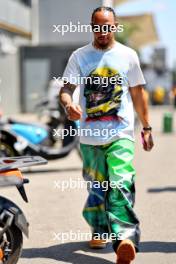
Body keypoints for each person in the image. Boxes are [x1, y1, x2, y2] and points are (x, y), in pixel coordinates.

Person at [59, 6, 154, 264]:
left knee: (121, 183)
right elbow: (66, 89)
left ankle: (124, 239)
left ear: (115, 26)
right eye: (98, 27)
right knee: (97, 188)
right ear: (92, 26)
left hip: (120, 134)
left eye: (107, 26)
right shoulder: (79, 56)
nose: (103, 32)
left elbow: (137, 93)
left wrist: (146, 127)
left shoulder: (128, 55)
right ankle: (99, 228)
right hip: (90, 139)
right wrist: (69, 105)